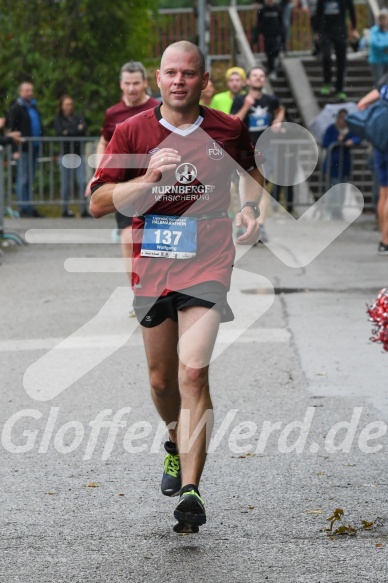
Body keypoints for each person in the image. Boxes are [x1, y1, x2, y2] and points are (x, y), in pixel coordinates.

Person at [89, 41, 263, 533]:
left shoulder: (228, 129)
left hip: (209, 257)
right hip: (154, 261)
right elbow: (101, 202)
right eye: (171, 73)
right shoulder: (132, 130)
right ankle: (174, 441)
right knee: (163, 381)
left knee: (192, 373)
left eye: (189, 73)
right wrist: (147, 180)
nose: (180, 80)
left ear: (204, 80)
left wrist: (248, 207)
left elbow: (250, 174)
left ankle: (191, 490)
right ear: (158, 79)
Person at [93, 62, 159, 279]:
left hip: (156, 184)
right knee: (129, 238)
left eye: (136, 83)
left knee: (154, 241)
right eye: (127, 84)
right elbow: (104, 142)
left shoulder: (158, 109)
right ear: (121, 85)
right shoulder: (113, 113)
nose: (132, 88)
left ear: (145, 84)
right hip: (124, 186)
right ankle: (138, 290)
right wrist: (99, 174)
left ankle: (162, 292)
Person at [231, 65, 285, 241]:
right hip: (245, 150)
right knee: (241, 189)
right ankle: (244, 224)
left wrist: (278, 121)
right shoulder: (240, 99)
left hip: (265, 149)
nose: (258, 78)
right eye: (254, 75)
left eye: (261, 75)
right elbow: (233, 121)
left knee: (262, 189)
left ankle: (260, 226)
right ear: (248, 80)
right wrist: (247, 105)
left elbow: (280, 109)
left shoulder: (270, 100)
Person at [358, 74, 388, 255]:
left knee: (384, 194)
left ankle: (384, 240)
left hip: (380, 146)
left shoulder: (384, 84)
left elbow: (361, 105)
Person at [7, 81, 44, 217]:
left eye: (31, 90)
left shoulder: (33, 106)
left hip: (33, 147)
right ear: (20, 92)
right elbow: (12, 130)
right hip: (22, 148)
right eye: (27, 90)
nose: (30, 93)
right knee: (23, 179)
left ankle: (30, 206)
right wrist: (15, 150)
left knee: (30, 178)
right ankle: (23, 207)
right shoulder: (16, 107)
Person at [321, 108, 361, 219]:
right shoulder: (331, 129)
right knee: (334, 190)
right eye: (342, 118)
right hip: (332, 165)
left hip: (345, 165)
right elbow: (325, 142)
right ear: (338, 118)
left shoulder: (350, 130)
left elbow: (358, 138)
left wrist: (352, 141)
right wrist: (336, 140)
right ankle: (334, 211)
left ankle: (338, 211)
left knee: (342, 191)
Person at [54, 95, 89, 218]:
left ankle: (84, 209)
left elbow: (83, 130)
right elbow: (60, 133)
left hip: (78, 154)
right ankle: (64, 209)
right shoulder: (58, 119)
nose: (69, 107)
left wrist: (69, 131)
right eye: (66, 104)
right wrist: (75, 130)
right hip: (65, 155)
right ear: (62, 106)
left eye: (70, 104)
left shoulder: (78, 117)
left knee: (82, 181)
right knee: (66, 184)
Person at [316, 0, 359, 100]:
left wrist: (354, 29)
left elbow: (352, 11)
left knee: (341, 61)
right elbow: (318, 13)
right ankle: (327, 83)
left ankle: (339, 88)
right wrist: (316, 31)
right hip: (325, 31)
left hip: (340, 32)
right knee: (326, 57)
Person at [255, 0, 283, 80]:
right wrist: (258, 34)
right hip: (267, 35)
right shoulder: (263, 10)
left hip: (276, 35)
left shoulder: (278, 9)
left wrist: (282, 35)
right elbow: (259, 23)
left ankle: (274, 69)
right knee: (269, 53)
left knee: (275, 52)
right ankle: (271, 69)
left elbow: (281, 23)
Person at [367, 9, 388, 86]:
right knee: (379, 83)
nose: (384, 21)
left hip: (387, 60)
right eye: (382, 18)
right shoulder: (374, 30)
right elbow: (374, 44)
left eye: (385, 18)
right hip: (377, 61)